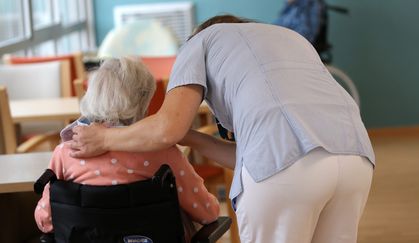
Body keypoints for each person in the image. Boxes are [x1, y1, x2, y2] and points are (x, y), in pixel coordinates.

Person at [70, 15, 375, 243]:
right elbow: (259, 155)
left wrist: (104, 137)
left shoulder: (198, 43)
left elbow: (167, 128)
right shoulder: (288, 37)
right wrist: (194, 138)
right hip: (355, 157)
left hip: (287, 172)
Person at [34, 57, 219, 241]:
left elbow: (46, 221)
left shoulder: (66, 153)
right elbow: (207, 212)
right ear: (143, 102)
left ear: (91, 95)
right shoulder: (162, 151)